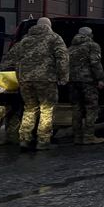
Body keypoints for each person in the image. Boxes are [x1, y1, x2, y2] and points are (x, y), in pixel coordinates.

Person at [15, 18, 69, 151]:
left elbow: (17, 60)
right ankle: (43, 141)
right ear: (49, 26)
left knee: (29, 108)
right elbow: (62, 58)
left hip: (25, 80)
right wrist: (63, 77)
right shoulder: (54, 38)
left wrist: (20, 78)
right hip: (46, 80)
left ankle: (24, 139)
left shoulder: (25, 40)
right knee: (47, 109)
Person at [68, 27, 104, 145]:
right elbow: (95, 63)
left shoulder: (71, 48)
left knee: (76, 108)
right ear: (89, 35)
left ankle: (77, 136)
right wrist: (100, 78)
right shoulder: (92, 46)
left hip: (73, 81)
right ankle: (89, 136)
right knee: (91, 107)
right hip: (88, 81)